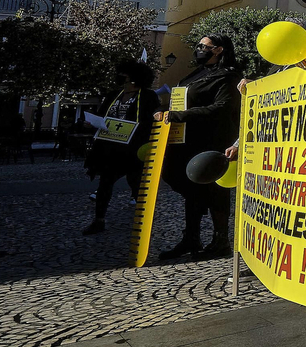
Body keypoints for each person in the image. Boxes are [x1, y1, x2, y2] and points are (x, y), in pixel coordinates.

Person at [155, 35, 242, 261]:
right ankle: (191, 238)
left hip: (213, 140)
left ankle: (221, 240)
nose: (199, 49)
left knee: (215, 189)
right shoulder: (195, 75)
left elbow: (222, 108)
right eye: (199, 46)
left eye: (204, 46)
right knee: (189, 187)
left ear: (219, 50)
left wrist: (178, 116)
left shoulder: (228, 76)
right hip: (186, 140)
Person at [81, 61, 161, 235]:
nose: (120, 79)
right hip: (110, 148)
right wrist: (92, 123)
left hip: (134, 148)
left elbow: (152, 118)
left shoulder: (147, 96)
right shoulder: (113, 95)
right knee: (105, 184)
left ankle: (143, 221)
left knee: (137, 185)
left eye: (124, 76)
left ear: (134, 78)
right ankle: (99, 220)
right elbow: (102, 115)